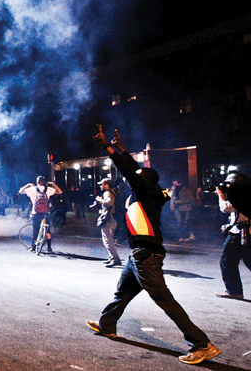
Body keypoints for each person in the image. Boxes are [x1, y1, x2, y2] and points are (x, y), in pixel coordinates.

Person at [86, 125, 221, 366]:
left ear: (143, 182)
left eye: (138, 176)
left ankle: (201, 344)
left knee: (164, 299)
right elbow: (135, 170)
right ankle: (107, 325)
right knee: (123, 292)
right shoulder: (152, 192)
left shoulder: (145, 191)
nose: (134, 177)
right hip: (139, 254)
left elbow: (129, 171)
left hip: (146, 255)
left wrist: (108, 147)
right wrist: (123, 149)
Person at [214, 172, 251, 300]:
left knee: (227, 261)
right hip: (246, 232)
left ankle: (234, 291)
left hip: (241, 233)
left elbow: (225, 208)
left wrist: (220, 196)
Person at [18, 176, 62, 252]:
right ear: (44, 182)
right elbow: (60, 191)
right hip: (46, 213)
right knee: (48, 231)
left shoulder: (32, 189)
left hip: (36, 213)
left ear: (37, 182)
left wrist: (28, 184)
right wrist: (52, 184)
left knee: (35, 230)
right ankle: (49, 248)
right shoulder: (48, 189)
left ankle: (34, 247)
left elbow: (21, 191)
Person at [95, 178, 121, 267]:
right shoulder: (112, 192)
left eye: (101, 184)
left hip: (109, 219)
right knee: (108, 239)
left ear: (106, 185)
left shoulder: (107, 193)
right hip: (112, 218)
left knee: (108, 240)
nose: (100, 186)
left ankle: (115, 259)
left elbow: (109, 203)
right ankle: (111, 257)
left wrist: (99, 200)